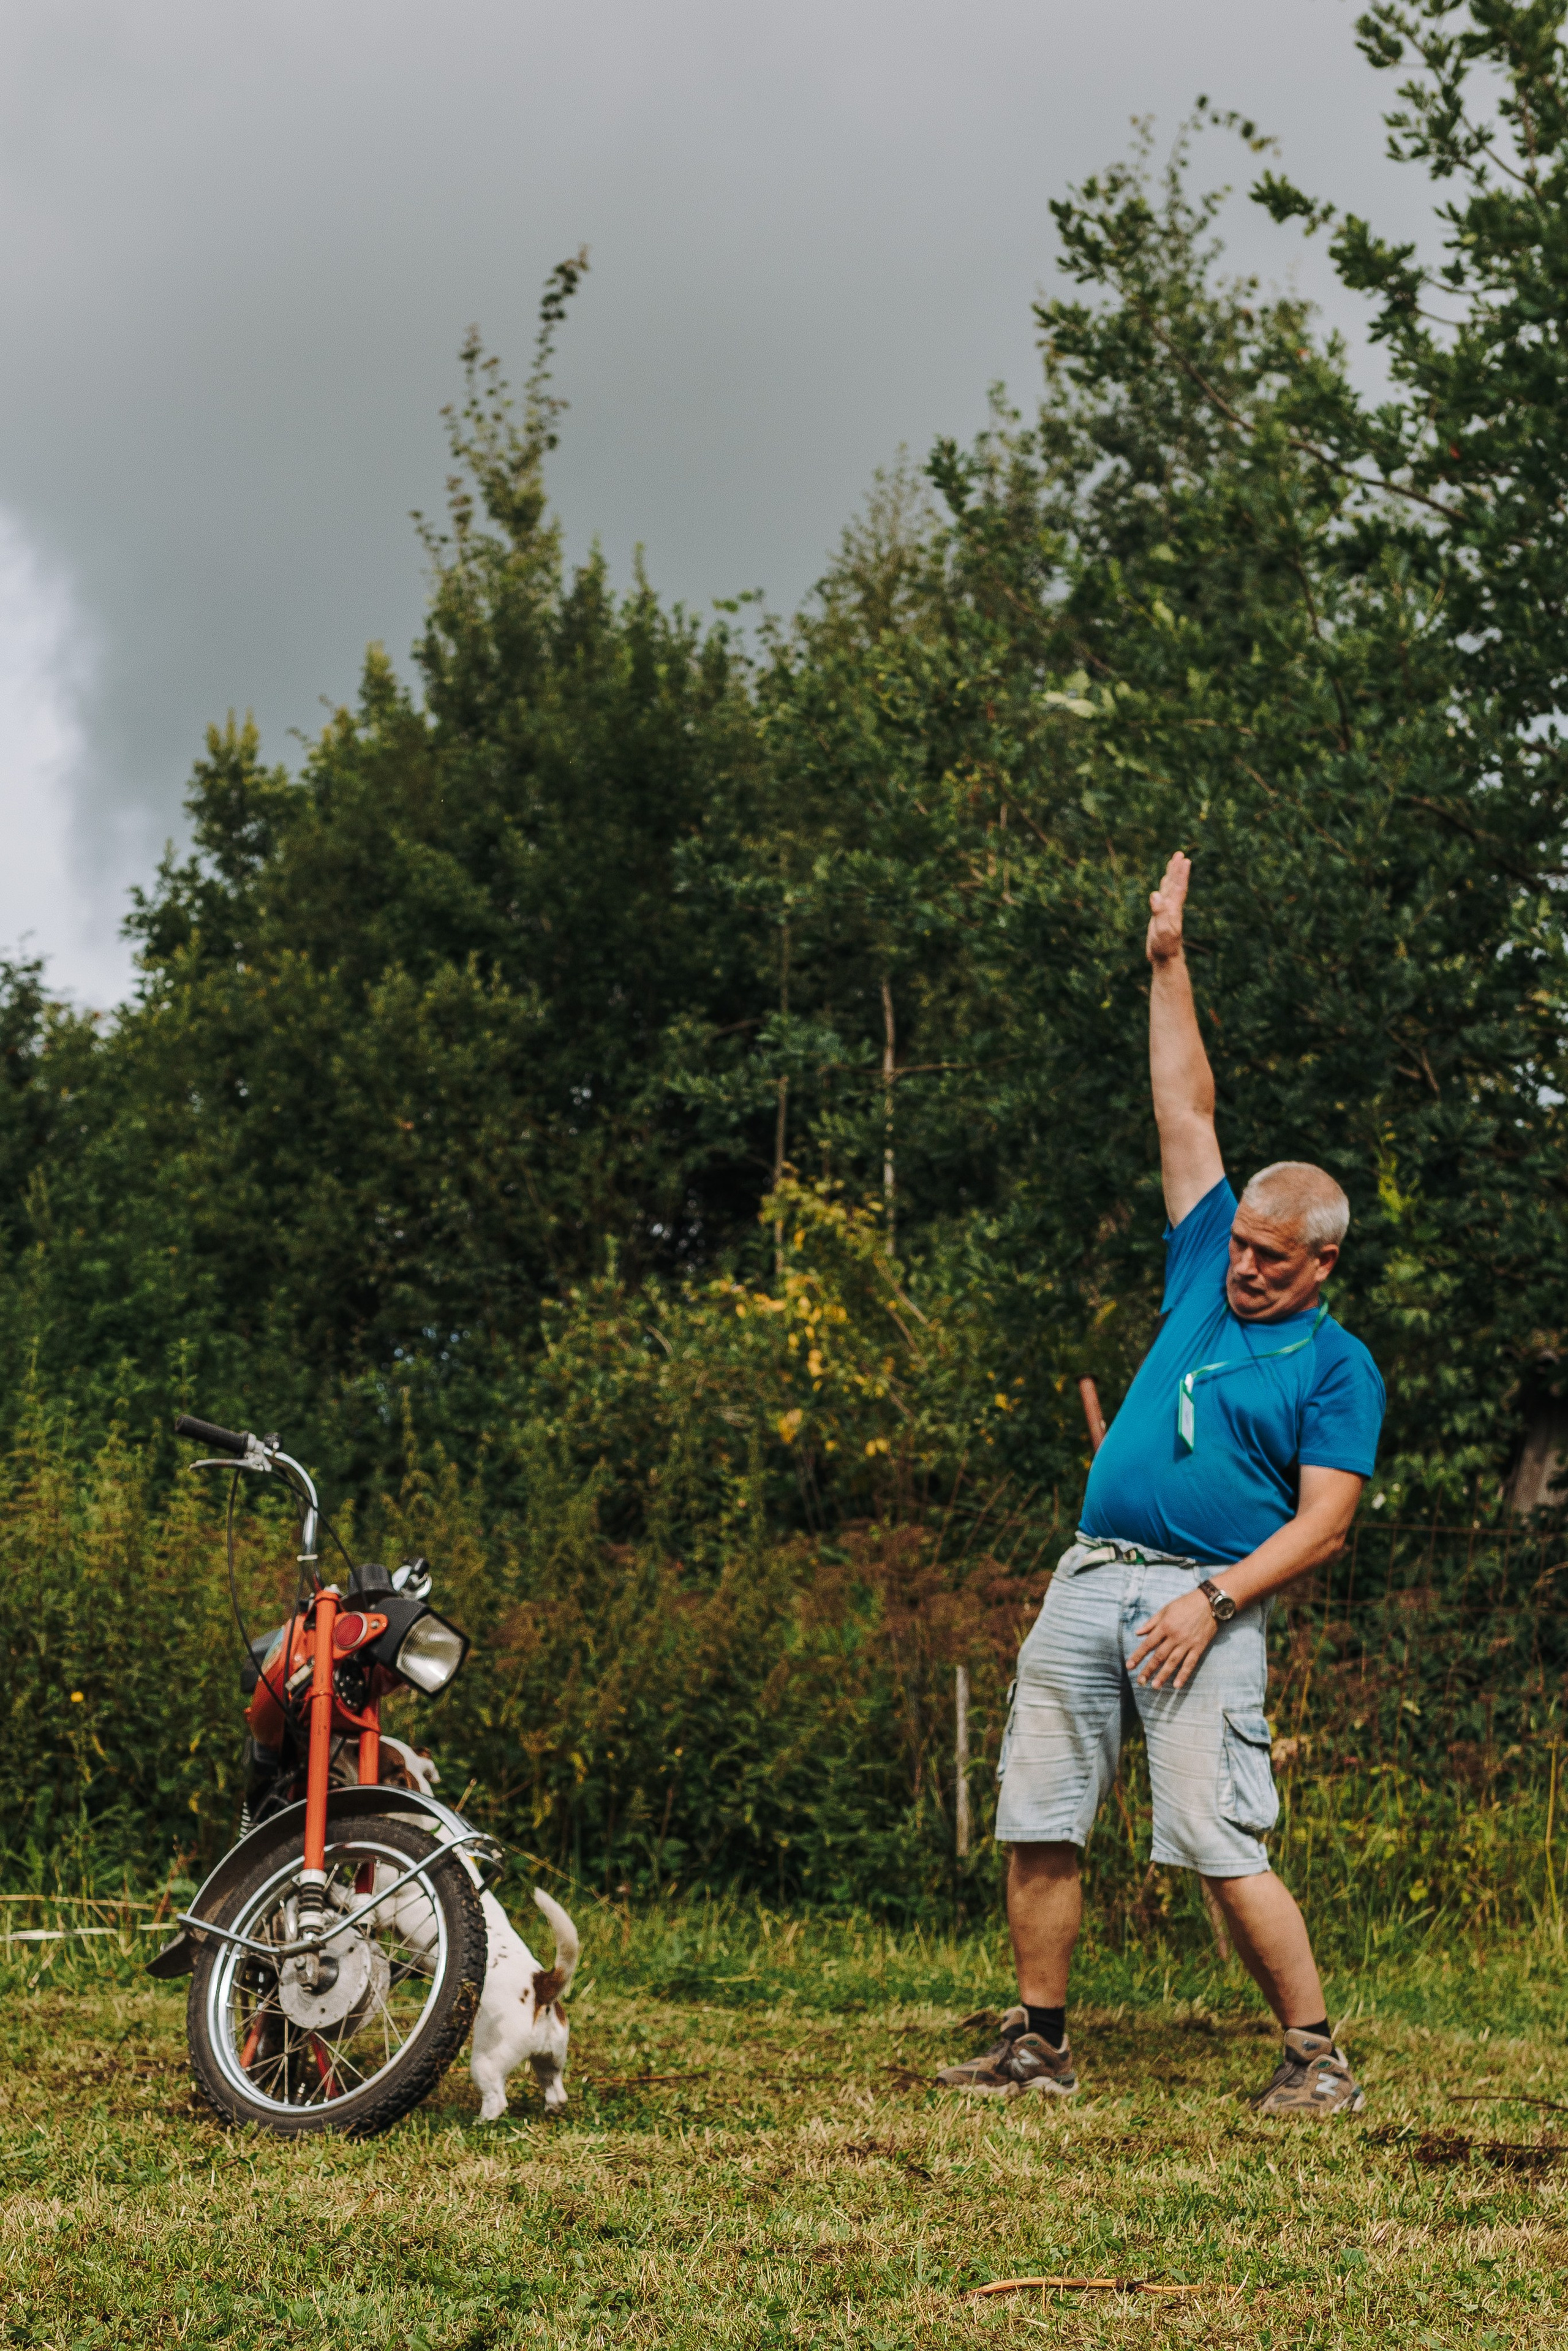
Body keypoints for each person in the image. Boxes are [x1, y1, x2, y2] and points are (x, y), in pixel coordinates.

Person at [937, 850, 1384, 2115]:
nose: (1239, 1266)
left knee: (1210, 1834)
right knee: (1037, 1807)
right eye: (1235, 1242)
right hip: (1091, 1577)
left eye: (1266, 1255)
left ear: (1318, 1262)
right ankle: (1037, 2046)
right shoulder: (1202, 1257)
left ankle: (1313, 2058)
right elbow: (1183, 1113)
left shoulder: (1337, 1367)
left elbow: (1327, 1522)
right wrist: (1166, 964)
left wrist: (1214, 1598)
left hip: (1207, 1602)